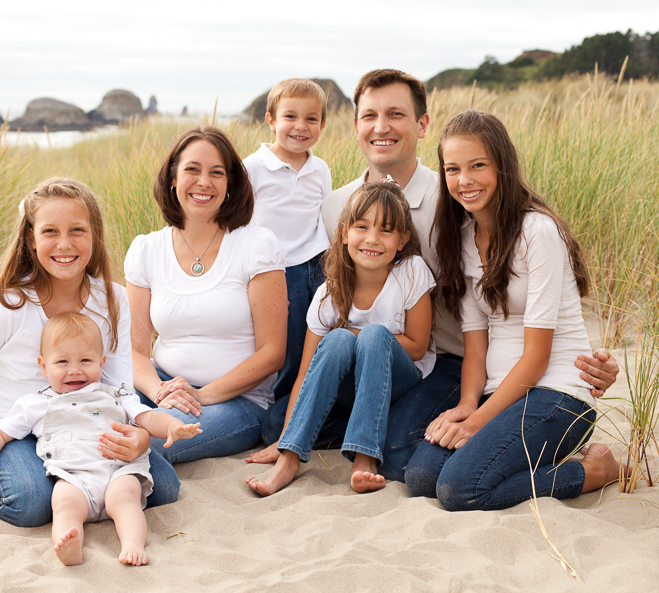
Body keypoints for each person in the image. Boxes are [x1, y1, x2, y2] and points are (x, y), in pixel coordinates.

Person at [254, 69, 620, 480]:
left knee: (401, 456)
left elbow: (523, 287)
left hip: (444, 361)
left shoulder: (454, 204)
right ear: (355, 126)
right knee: (273, 424)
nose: (381, 127)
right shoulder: (336, 205)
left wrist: (595, 362)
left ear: (422, 124)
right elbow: (326, 285)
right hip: (366, 356)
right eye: (370, 115)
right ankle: (379, 425)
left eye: (396, 114)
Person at [403, 110, 623, 510]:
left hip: (557, 394)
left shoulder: (538, 232)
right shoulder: (466, 237)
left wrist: (476, 422)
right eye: (452, 169)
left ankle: (596, 471)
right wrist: (468, 405)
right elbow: (475, 345)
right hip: (499, 393)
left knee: (459, 490)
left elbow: (537, 356)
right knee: (421, 478)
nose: (464, 180)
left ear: (502, 166)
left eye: (478, 166)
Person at [0, 177, 180, 529]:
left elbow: (119, 387)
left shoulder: (112, 299)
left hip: (83, 420)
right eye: (50, 231)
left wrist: (139, 434)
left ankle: (71, 484)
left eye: (77, 230)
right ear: (32, 240)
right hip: (13, 426)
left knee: (165, 489)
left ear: (94, 237)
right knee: (32, 503)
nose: (64, 244)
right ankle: (40, 477)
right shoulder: (11, 304)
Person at [0, 312, 201, 565]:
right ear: (44, 366)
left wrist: (173, 425)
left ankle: (132, 544)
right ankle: (70, 546)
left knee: (126, 500)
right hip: (72, 476)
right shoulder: (34, 404)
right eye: (63, 362)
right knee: (64, 504)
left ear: (101, 363)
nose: (74, 370)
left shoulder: (117, 395)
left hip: (118, 471)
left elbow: (148, 417)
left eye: (85, 360)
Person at [246, 181, 435, 496]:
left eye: (386, 231)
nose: (372, 239)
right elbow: (307, 372)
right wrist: (285, 435)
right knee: (335, 343)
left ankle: (364, 457)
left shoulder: (412, 271)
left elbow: (416, 347)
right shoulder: (328, 293)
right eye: (362, 227)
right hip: (350, 386)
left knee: (372, 336)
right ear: (345, 232)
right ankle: (290, 458)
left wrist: (358, 334)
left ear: (402, 240)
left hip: (402, 381)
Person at [114, 126, 288, 464]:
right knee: (89, 416)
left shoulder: (256, 246)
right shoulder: (146, 249)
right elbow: (134, 349)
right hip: (161, 385)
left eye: (217, 173)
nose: (204, 182)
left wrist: (201, 395)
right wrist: (160, 393)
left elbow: (272, 353)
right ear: (174, 179)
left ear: (230, 185)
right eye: (192, 169)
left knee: (148, 446)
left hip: (237, 401)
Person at [242, 78, 332, 400]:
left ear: (322, 124)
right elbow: (240, 223)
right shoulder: (252, 168)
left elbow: (324, 215)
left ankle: (314, 397)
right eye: (290, 117)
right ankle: (280, 403)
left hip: (319, 264)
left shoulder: (320, 169)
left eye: (311, 119)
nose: (300, 126)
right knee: (289, 340)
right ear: (271, 120)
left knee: (318, 334)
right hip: (279, 269)